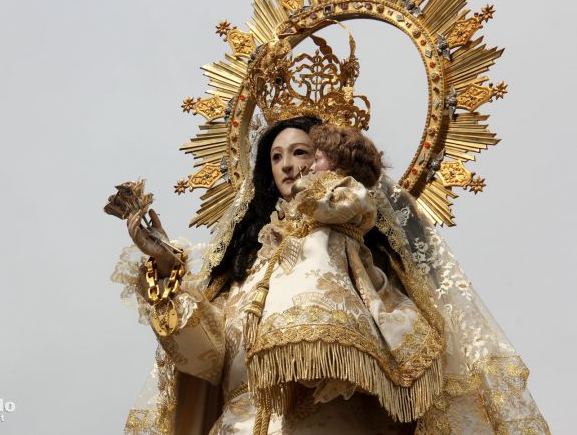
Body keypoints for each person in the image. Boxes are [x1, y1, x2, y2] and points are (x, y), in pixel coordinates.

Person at [111, 115, 549, 434]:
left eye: (299, 152)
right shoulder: (245, 275)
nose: (285, 165)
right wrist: (165, 265)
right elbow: (206, 361)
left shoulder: (356, 258)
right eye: (276, 157)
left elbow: (396, 346)